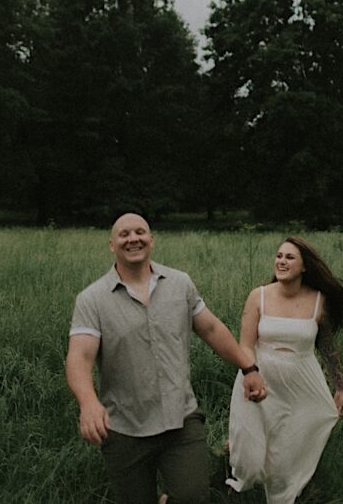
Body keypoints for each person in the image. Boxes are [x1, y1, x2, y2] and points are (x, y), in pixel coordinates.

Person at [65, 213, 268, 504]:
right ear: (112, 245)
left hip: (181, 419)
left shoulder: (179, 284)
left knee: (193, 497)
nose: (133, 238)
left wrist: (249, 367)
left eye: (140, 232)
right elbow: (79, 358)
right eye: (124, 234)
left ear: (151, 240)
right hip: (125, 427)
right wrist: (88, 403)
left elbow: (211, 328)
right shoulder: (92, 299)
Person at [225, 236, 343, 503]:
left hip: (301, 382)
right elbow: (245, 345)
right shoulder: (258, 296)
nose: (281, 261)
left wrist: (341, 386)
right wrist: (251, 373)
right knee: (249, 460)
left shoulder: (318, 301)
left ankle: (282, 496)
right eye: (278, 256)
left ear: (304, 267)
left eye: (289, 257)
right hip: (259, 378)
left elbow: (327, 348)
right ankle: (234, 474)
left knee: (286, 453)